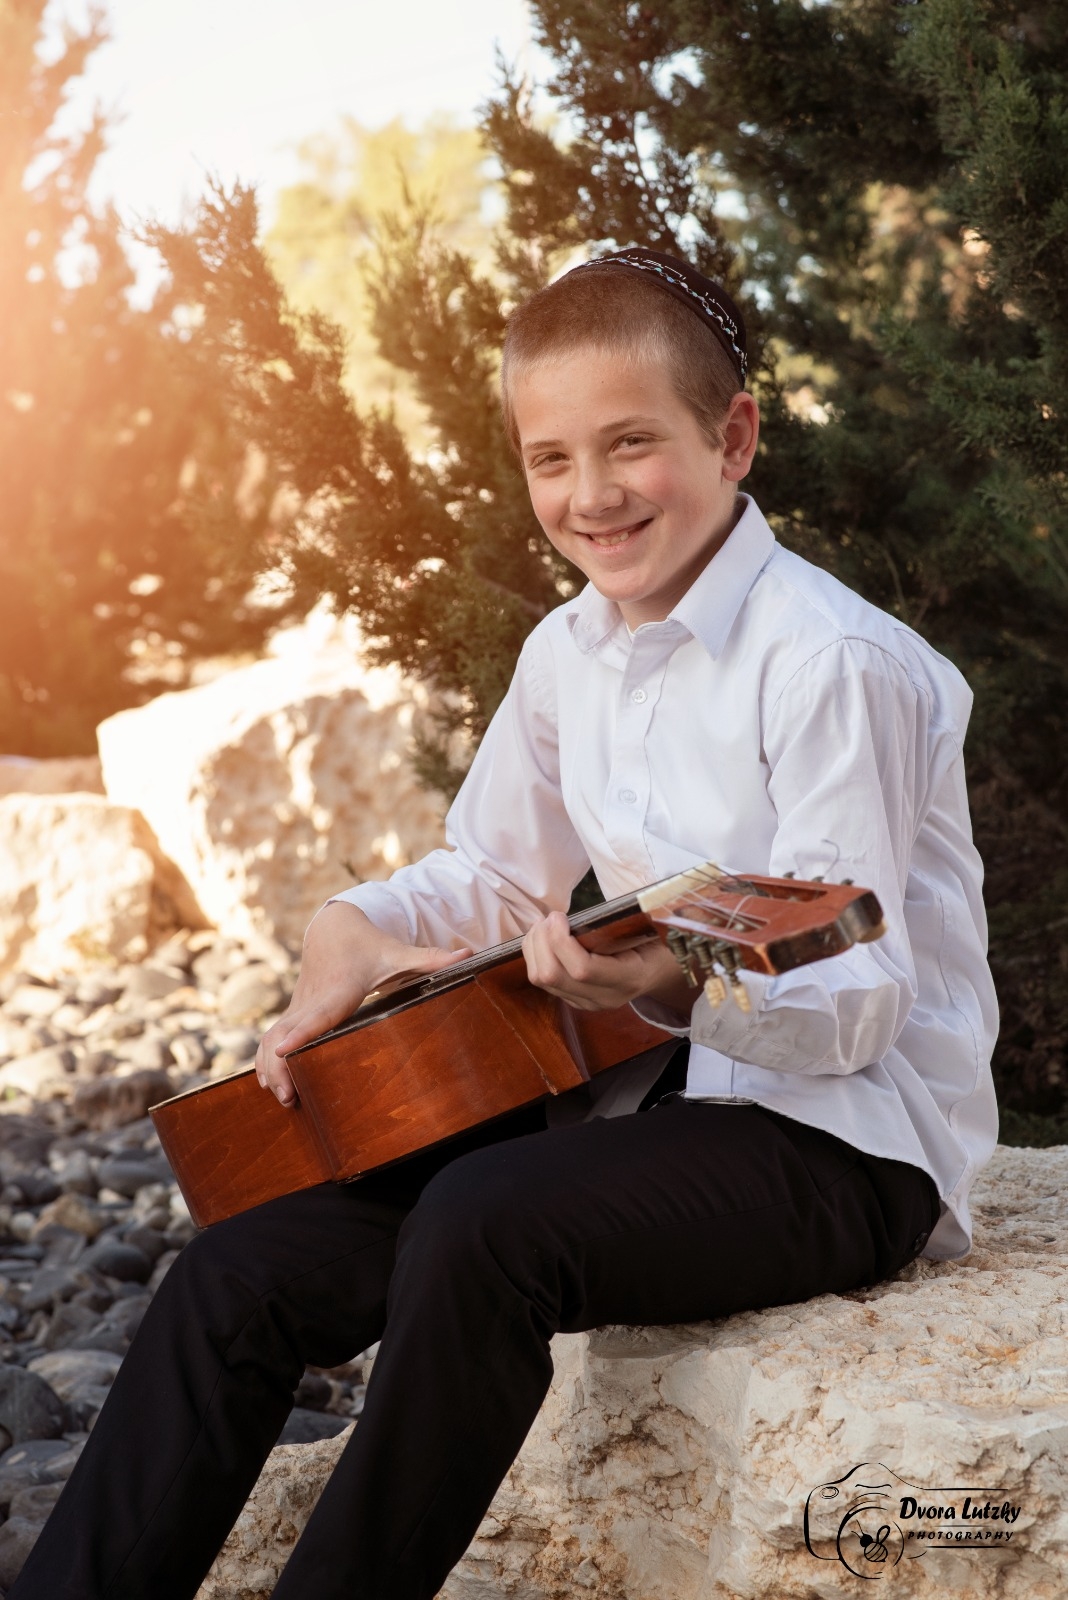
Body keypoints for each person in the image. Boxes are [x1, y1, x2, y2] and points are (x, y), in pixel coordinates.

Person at [11, 248, 997, 1600]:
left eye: (631, 443)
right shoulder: (566, 653)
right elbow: (487, 870)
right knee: (237, 1270)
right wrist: (349, 930)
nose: (592, 495)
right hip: (646, 1106)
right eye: (551, 459)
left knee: (484, 1221)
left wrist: (660, 985)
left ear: (733, 437)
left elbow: (856, 999)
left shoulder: (831, 661)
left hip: (849, 1144)